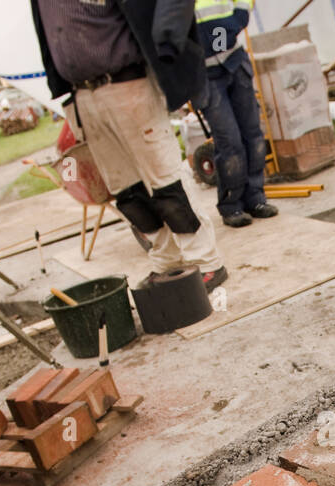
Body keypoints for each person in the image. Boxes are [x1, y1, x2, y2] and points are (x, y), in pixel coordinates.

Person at [31, 0, 228, 290]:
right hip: (82, 94)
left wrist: (168, 44)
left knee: (165, 181)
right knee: (127, 190)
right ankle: (166, 261)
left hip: (128, 83)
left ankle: (206, 262)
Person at [193, 0, 278, 228]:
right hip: (204, 73)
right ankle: (232, 205)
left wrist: (230, 26)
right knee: (229, 142)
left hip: (233, 61)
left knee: (253, 136)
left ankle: (255, 199)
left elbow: (239, 7)